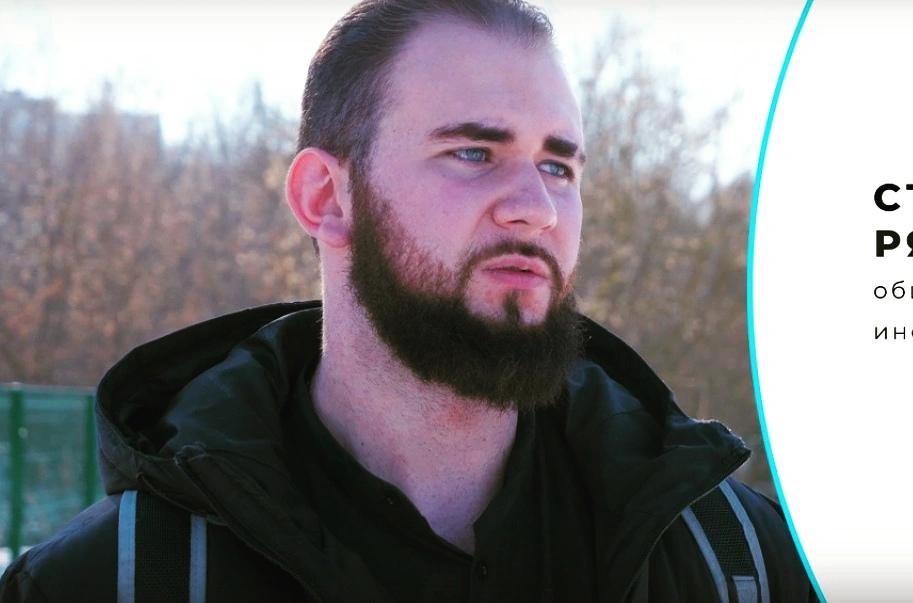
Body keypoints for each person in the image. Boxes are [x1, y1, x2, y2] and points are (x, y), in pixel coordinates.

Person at [0, 1, 816, 601]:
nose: (536, 207)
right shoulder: (111, 583)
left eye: (558, 166)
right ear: (327, 198)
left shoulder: (740, 561)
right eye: (474, 153)